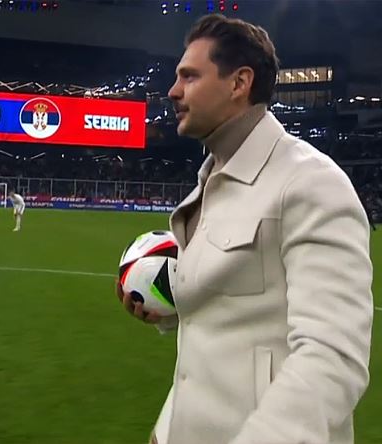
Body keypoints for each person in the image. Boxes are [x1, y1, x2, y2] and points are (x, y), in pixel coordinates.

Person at [117, 14, 373, 444]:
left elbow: (332, 357)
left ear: (239, 83)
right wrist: (171, 312)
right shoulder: (211, 179)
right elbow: (242, 306)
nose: (173, 90)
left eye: (189, 76)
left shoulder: (310, 182)